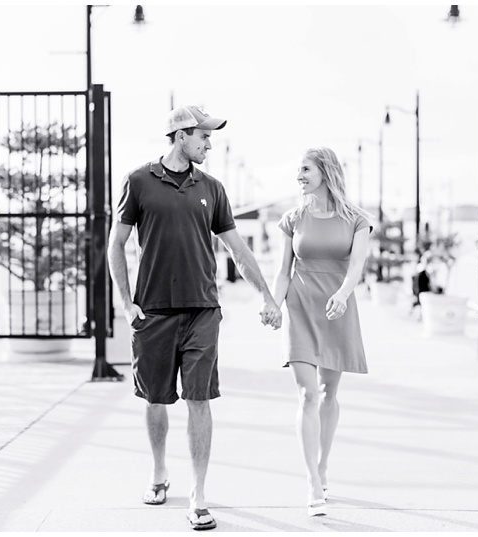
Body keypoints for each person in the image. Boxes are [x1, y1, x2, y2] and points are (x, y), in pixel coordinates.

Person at [107, 105, 282, 531]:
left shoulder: (214, 188)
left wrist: (267, 296)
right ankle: (159, 472)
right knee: (155, 399)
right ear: (181, 135)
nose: (209, 143)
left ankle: (199, 495)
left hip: (203, 309)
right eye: (203, 136)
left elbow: (237, 249)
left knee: (199, 399)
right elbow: (116, 245)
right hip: (153, 312)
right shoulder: (138, 182)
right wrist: (127, 302)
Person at [271, 147, 371, 517]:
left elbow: (356, 266)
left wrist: (343, 295)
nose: (299, 175)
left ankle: (323, 462)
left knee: (329, 392)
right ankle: (313, 481)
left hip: (336, 307)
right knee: (307, 394)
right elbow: (283, 270)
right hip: (299, 306)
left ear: (325, 172)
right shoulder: (292, 218)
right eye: (298, 169)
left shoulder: (357, 219)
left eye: (305, 169)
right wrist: (272, 303)